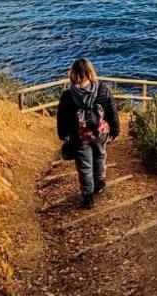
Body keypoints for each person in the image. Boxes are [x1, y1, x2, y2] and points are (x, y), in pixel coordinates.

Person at [56, 58, 120, 208]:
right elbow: (112, 110)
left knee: (84, 166)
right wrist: (116, 130)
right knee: (100, 156)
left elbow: (62, 117)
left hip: (80, 136)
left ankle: (88, 196)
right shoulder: (102, 89)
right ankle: (100, 183)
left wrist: (63, 134)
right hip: (100, 132)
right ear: (90, 72)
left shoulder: (68, 95)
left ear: (73, 74)